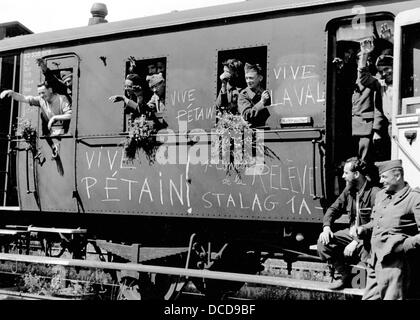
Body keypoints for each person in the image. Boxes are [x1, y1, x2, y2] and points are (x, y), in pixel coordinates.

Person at [356, 160, 420, 300]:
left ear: (397, 176)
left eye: (384, 177)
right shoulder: (381, 196)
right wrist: (364, 228)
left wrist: (404, 245)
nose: (380, 181)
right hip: (375, 262)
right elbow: (377, 222)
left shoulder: (414, 199)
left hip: (396, 265)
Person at [317, 157, 380, 290]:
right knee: (322, 243)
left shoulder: (375, 193)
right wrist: (327, 227)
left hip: (367, 238)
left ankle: (360, 286)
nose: (343, 176)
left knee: (360, 282)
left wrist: (356, 241)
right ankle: (345, 275)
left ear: (356, 174)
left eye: (346, 173)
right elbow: (333, 209)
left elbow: (377, 223)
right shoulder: (348, 191)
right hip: (351, 234)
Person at [0, 82, 72, 157]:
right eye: (39, 93)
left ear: (50, 90)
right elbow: (24, 98)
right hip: (54, 135)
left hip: (66, 135)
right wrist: (12, 93)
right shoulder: (41, 100)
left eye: (43, 92)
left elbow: (70, 115)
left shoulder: (62, 99)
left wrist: (54, 118)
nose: (41, 95)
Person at [351, 39, 386, 162]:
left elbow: (378, 106)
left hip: (366, 128)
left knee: (364, 162)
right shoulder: (350, 77)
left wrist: (377, 129)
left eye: (365, 59)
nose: (362, 62)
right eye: (359, 58)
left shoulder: (374, 79)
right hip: (353, 127)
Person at [238, 63, 271, 128]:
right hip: (251, 132)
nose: (248, 81)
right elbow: (246, 115)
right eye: (246, 78)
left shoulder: (265, 92)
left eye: (251, 78)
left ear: (260, 78)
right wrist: (261, 102)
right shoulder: (244, 95)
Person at [373, 54, 393, 161]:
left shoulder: (405, 83)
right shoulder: (382, 85)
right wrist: (377, 130)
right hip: (390, 126)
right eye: (381, 71)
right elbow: (379, 110)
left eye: (387, 69)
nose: (384, 73)